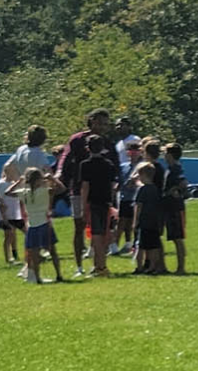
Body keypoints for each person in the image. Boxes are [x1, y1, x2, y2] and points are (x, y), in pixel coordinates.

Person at [64, 109, 120, 277]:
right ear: (92, 120)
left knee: (100, 229)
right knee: (79, 227)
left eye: (106, 124)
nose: (103, 127)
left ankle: (99, 264)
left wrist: (115, 187)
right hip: (79, 190)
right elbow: (65, 162)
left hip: (100, 194)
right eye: (101, 123)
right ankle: (79, 266)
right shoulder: (77, 140)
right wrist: (62, 180)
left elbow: (115, 169)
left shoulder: (109, 144)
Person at [3, 125, 53, 267]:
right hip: (38, 191)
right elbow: (47, 170)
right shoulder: (39, 154)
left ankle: (29, 261)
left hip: (24, 190)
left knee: (28, 224)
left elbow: (8, 166)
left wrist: (17, 180)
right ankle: (40, 252)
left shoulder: (20, 150)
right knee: (42, 222)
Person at [4, 165, 59, 284]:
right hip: (45, 223)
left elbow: (7, 192)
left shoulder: (24, 192)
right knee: (52, 250)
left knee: (34, 253)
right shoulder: (45, 191)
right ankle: (58, 274)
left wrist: (19, 181)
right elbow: (62, 189)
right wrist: (52, 179)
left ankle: (38, 277)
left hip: (32, 225)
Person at [128, 161, 167, 274]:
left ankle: (139, 267)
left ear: (143, 175)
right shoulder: (155, 189)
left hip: (143, 222)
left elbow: (138, 206)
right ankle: (153, 266)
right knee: (153, 245)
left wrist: (135, 222)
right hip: (154, 221)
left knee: (140, 245)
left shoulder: (142, 189)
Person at [159, 141, 189, 275]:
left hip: (175, 207)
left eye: (165, 153)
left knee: (178, 238)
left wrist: (174, 190)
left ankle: (181, 267)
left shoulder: (176, 169)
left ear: (170, 155)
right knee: (174, 236)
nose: (164, 155)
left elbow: (184, 183)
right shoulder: (170, 169)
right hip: (168, 206)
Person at [111, 134, 144, 259]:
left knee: (133, 223)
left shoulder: (142, 167)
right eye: (131, 151)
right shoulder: (123, 167)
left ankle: (132, 245)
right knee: (121, 222)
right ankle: (114, 245)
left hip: (136, 198)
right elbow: (119, 182)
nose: (133, 153)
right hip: (125, 198)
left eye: (136, 151)